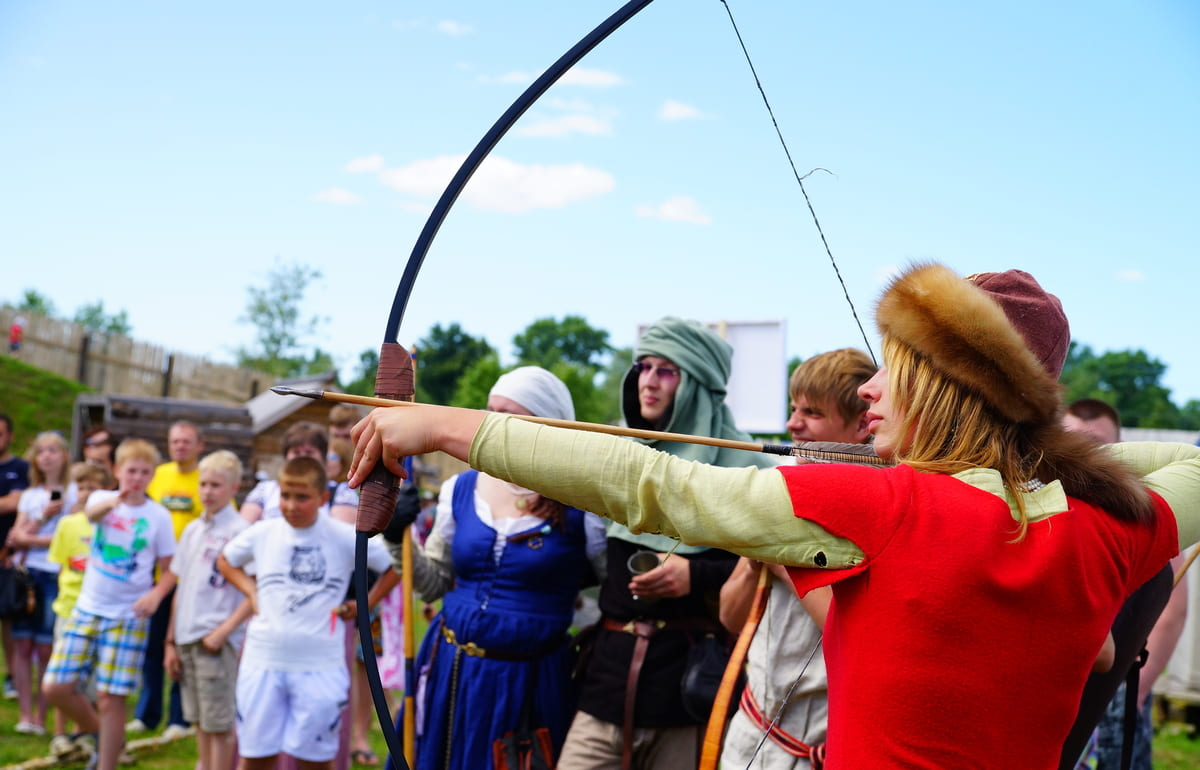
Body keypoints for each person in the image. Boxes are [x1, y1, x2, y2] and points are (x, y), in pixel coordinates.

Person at [348, 263, 1200, 770]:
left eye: (894, 368)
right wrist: (1029, 466)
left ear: (950, 385)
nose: (870, 388)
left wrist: (440, 427)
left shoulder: (882, 504)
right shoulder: (1115, 527)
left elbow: (657, 488)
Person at [555, 318, 779, 770]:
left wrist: (694, 574)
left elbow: (766, 567)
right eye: (643, 367)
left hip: (687, 683)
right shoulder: (619, 449)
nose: (648, 381)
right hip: (608, 679)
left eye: (666, 371)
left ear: (697, 384)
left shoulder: (745, 467)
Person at [376, 365, 607, 770]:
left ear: (549, 426)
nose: (496, 425)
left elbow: (613, 591)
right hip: (453, 669)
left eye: (512, 416)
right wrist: (398, 536)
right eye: (490, 411)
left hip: (530, 682)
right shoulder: (460, 489)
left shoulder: (584, 503)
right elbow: (432, 585)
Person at [718, 348, 875, 769]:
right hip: (748, 733)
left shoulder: (879, 506)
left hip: (816, 752)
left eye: (812, 412)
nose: (792, 424)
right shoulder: (778, 490)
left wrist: (781, 560)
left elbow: (855, 636)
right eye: (793, 408)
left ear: (862, 424)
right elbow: (732, 619)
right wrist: (754, 557)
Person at [218, 456, 392, 770]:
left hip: (320, 666)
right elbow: (226, 560)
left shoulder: (342, 534)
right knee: (256, 757)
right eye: (285, 496)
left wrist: (363, 603)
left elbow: (394, 567)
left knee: (314, 760)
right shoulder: (263, 532)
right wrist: (250, 590)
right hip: (262, 662)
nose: (291, 506)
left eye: (302, 498)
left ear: (323, 498)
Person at [1062, 399, 1189, 770]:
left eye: (1098, 443)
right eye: (1074, 440)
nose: (1086, 451)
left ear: (1120, 445)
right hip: (1065, 683)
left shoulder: (1138, 504)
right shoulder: (1053, 501)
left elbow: (1173, 609)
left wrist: (1137, 690)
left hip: (1121, 684)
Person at [43, 438, 177, 770]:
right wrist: (115, 501)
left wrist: (156, 594)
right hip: (87, 607)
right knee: (56, 686)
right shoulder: (103, 499)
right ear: (118, 470)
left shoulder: (159, 516)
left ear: (152, 476)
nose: (137, 477)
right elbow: (90, 513)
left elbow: (171, 568)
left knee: (110, 697)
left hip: (128, 615)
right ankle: (107, 736)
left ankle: (107, 763)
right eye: (131, 470)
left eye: (145, 472)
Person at [165, 450, 253, 770]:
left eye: (216, 485)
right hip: (187, 634)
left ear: (234, 488)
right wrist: (170, 641)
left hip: (216, 637)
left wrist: (225, 630)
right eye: (203, 484)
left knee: (219, 722)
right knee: (199, 719)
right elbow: (181, 586)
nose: (207, 492)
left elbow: (253, 593)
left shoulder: (241, 533)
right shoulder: (192, 530)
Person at [131, 420, 205, 737]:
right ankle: (147, 715)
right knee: (152, 647)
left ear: (199, 445)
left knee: (180, 648)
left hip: (190, 579)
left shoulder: (207, 478)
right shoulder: (158, 475)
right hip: (157, 577)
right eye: (175, 441)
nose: (180, 447)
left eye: (187, 441)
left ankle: (180, 719)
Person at [8, 431, 77, 736]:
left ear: (64, 456)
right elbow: (15, 537)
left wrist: (35, 538)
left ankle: (44, 714)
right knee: (23, 644)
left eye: (53, 450)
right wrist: (44, 517)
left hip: (56, 575)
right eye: (41, 451)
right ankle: (26, 714)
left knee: (48, 648)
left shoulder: (74, 492)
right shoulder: (31, 495)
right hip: (27, 576)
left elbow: (73, 537)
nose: (47, 456)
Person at [45, 462, 112, 759]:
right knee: (63, 678)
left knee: (94, 681)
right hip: (70, 609)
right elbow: (61, 565)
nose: (86, 493)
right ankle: (61, 736)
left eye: (93, 488)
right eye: (81, 487)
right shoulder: (68, 524)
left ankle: (87, 734)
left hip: (100, 611)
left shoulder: (111, 524)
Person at [241, 422, 357, 524]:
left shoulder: (340, 492)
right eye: (296, 452)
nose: (302, 457)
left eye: (309, 452)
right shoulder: (265, 490)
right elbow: (243, 528)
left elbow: (343, 534)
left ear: (322, 457)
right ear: (286, 456)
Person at [0, 413, 31, 701]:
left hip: (6, 556)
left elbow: (17, 500)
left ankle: (11, 676)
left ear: (10, 436)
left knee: (7, 618)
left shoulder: (20, 468)